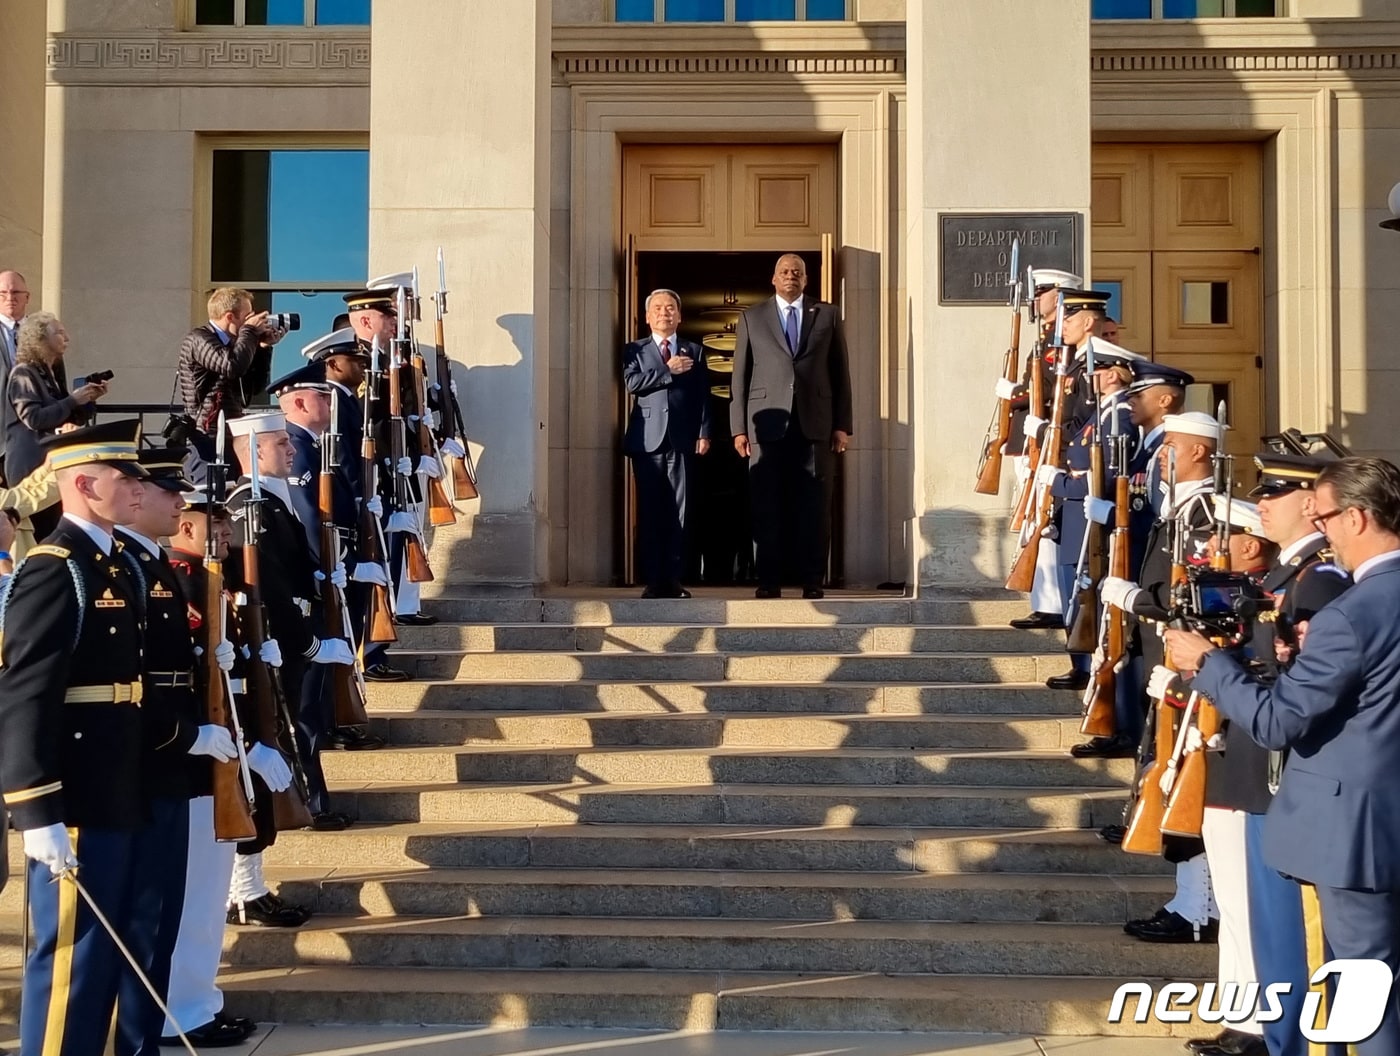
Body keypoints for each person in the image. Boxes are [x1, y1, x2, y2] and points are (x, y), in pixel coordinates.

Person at [1167, 456, 1400, 1056]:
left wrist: (1208, 664)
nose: (1321, 531)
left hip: (1356, 828)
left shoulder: (1352, 609)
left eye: (1324, 518)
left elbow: (1278, 721)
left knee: (1364, 993)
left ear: (1357, 517)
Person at [0, 418, 150, 1056]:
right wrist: (35, 807)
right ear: (86, 483)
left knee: (101, 961)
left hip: (118, 779)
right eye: (126, 478)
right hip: (78, 793)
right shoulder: (55, 566)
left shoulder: (114, 561)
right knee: (71, 959)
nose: (138, 489)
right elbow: (24, 690)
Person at [1100, 411, 1223, 945]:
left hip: (1184, 657)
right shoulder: (1182, 505)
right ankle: (1190, 899)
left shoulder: (1207, 512)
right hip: (1164, 657)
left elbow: (1192, 590)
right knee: (1167, 769)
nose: (1161, 454)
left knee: (1184, 775)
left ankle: (1199, 906)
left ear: (1199, 451)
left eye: (1171, 444)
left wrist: (1135, 599)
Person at [160, 489, 264, 1047]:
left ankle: (195, 1001)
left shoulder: (204, 581)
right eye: (208, 526)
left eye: (222, 528)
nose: (219, 536)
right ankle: (183, 1009)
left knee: (206, 894)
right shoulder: (177, 580)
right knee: (194, 896)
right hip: (191, 761)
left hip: (217, 754)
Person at [273, 359, 384, 757]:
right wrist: (345, 567)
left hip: (338, 564)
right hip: (326, 571)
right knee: (319, 670)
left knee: (337, 656)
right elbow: (311, 521)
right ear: (300, 404)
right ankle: (326, 729)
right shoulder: (298, 450)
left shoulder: (313, 446)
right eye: (322, 396)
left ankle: (336, 723)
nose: (330, 401)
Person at [730, 253, 853, 599]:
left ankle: (812, 580)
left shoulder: (826, 314)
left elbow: (840, 373)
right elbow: (739, 377)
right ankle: (768, 581)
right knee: (767, 506)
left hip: (815, 426)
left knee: (815, 507)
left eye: (797, 272)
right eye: (784, 272)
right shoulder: (752, 317)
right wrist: (739, 428)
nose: (790, 277)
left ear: (806, 279)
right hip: (767, 429)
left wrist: (843, 425)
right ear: (773, 278)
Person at [303, 326, 407, 683]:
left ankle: (369, 656)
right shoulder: (332, 400)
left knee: (369, 589)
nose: (362, 366)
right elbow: (344, 458)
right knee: (353, 598)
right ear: (332, 364)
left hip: (363, 505)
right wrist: (363, 498)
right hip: (351, 511)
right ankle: (367, 659)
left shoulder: (347, 398)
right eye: (355, 360)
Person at [1039, 332, 1141, 698]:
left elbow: (1102, 479)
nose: (1088, 378)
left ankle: (1089, 671)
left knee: (1087, 603)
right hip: (1075, 522)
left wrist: (1060, 483)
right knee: (1075, 602)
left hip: (1090, 526)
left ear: (1114, 374)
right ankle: (1080, 665)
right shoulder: (1102, 414)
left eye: (1095, 371)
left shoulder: (1120, 418)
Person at [622, 289, 711, 599]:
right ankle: (654, 580)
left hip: (682, 441)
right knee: (651, 511)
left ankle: (674, 580)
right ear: (647, 317)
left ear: (679, 315)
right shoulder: (634, 350)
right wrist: (667, 370)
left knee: (679, 512)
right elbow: (633, 383)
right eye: (658, 308)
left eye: (670, 308)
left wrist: (704, 432)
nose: (664, 312)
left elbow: (703, 396)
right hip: (647, 441)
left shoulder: (694, 351)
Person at [1007, 268, 1083, 631]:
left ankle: (1052, 603)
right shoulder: (1044, 339)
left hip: (1050, 443)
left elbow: (1047, 392)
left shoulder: (1059, 345)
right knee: (1037, 522)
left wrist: (1014, 394)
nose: (1036, 299)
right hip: (1034, 440)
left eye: (1043, 292)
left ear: (1061, 295)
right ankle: (1046, 599)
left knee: (1046, 523)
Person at [6, 312, 106, 538]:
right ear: (39, 339)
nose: (67, 337)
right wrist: (72, 400)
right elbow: (33, 418)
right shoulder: (24, 373)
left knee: (56, 529)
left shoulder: (52, 372)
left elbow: (68, 417)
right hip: (31, 465)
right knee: (39, 533)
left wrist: (88, 399)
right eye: (59, 333)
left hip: (52, 462)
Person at [176, 288, 284, 443]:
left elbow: (253, 387)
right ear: (230, 316)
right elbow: (232, 367)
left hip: (231, 432)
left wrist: (262, 348)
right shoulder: (198, 339)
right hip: (205, 434)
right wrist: (249, 331)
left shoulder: (237, 344)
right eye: (248, 317)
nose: (251, 321)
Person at [0, 269, 33, 482]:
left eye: (15, 292)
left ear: (27, 297)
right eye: (2, 293)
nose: (10, 298)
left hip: (33, 439)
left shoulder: (43, 332)